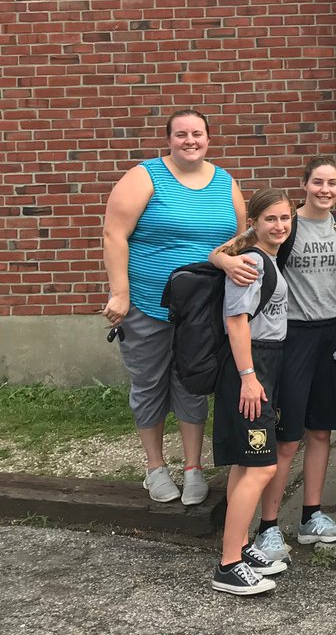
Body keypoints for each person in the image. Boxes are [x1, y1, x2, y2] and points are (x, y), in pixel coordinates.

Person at [101, 109, 246, 507]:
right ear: (169, 139)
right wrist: (120, 292)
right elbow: (115, 233)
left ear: (208, 138)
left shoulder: (225, 182)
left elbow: (238, 240)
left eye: (197, 133)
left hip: (201, 310)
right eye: (181, 134)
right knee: (149, 382)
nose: (190, 140)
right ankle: (154, 467)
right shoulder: (145, 176)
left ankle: (193, 468)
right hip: (148, 303)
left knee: (192, 382)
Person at [251, 157, 336, 564]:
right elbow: (233, 251)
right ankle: (268, 526)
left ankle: (311, 516)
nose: (325, 189)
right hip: (292, 335)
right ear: (305, 184)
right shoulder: (285, 222)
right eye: (317, 182)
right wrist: (224, 260)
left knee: (320, 430)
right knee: (287, 436)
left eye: (332, 182)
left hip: (332, 332)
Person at [210, 188, 293, 596]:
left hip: (266, 362)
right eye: (271, 219)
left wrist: (219, 255)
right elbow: (237, 321)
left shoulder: (265, 257)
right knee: (262, 466)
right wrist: (248, 375)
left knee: (246, 464)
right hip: (250, 364)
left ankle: (240, 547)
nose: (279, 226)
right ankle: (227, 566)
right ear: (254, 223)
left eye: (285, 219)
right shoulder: (252, 263)